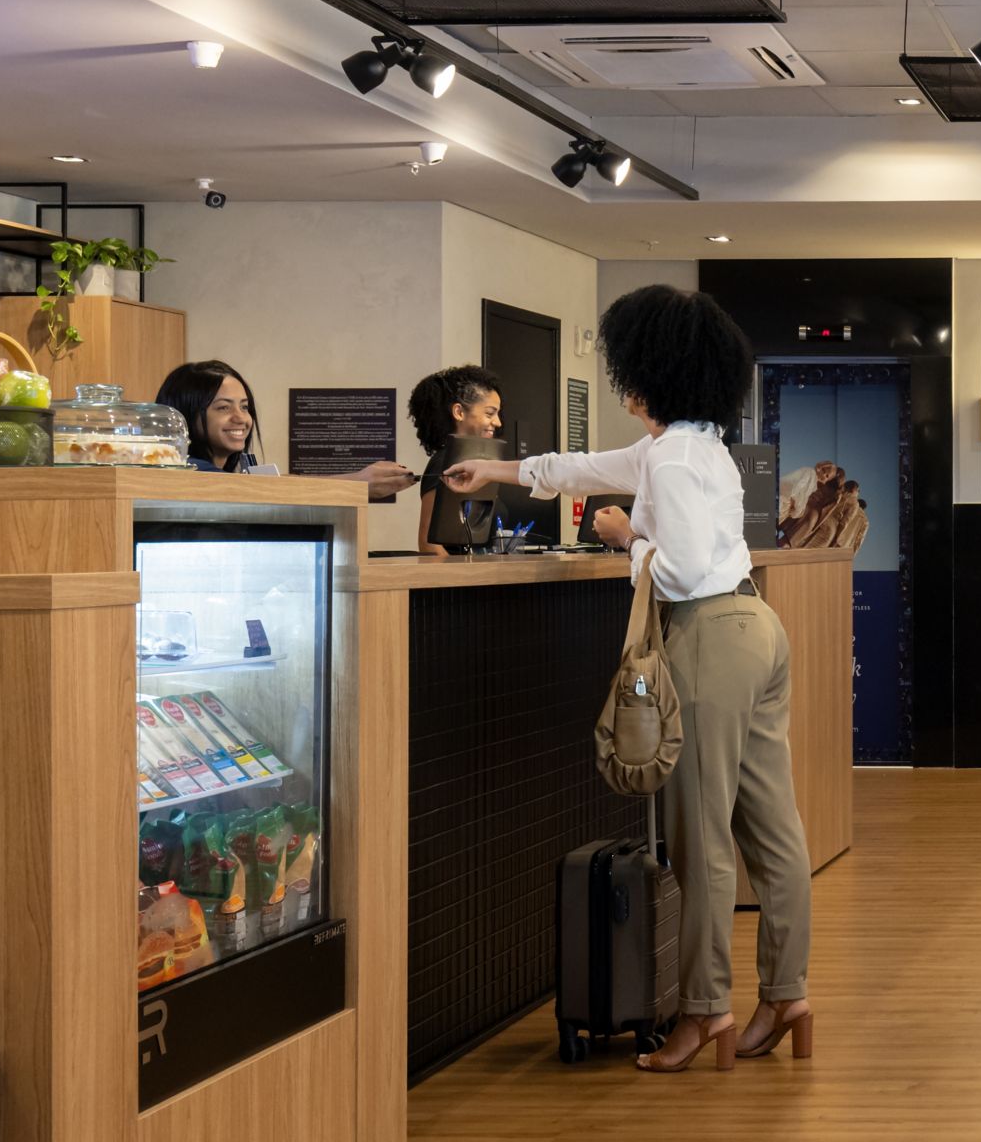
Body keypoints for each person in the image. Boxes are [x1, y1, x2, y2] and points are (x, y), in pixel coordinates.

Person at [442, 286, 810, 1075]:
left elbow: (676, 570)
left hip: (708, 636)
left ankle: (706, 1010)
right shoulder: (697, 446)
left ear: (649, 377)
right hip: (757, 628)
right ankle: (787, 994)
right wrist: (494, 469)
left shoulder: (669, 458)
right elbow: (579, 468)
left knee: (700, 840)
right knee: (773, 832)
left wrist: (624, 537)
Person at [158, 360, 414, 492]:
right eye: (223, 408)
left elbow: (268, 486)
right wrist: (358, 483)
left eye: (245, 407)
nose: (240, 418)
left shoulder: (229, 476)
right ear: (185, 415)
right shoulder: (189, 472)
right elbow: (259, 492)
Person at [406, 364, 504, 555]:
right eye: (489, 413)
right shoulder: (444, 463)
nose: (498, 422)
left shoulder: (479, 462)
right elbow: (429, 544)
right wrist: (463, 572)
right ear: (459, 412)